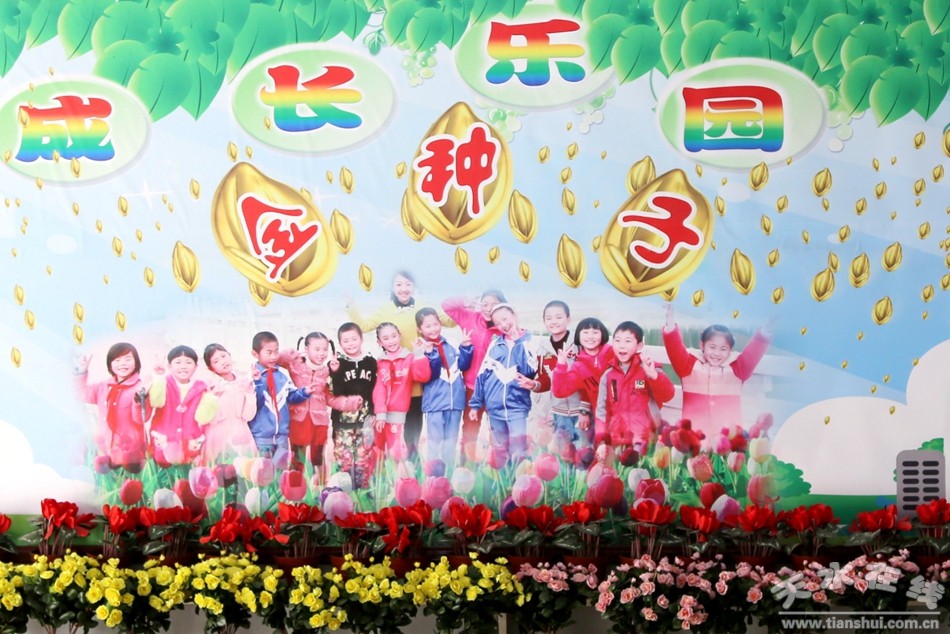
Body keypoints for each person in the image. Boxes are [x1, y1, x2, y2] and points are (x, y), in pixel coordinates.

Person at [346, 271, 453, 460]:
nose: (404, 289)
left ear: (414, 286)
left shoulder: (423, 306)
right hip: (395, 380)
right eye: (399, 285)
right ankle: (390, 464)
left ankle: (413, 463)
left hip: (418, 371)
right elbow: (364, 326)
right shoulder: (385, 310)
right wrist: (350, 305)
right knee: (392, 429)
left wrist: (462, 308)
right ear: (392, 287)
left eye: (408, 284)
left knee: (413, 427)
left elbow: (447, 321)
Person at [661, 305, 773, 443]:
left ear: (730, 350)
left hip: (729, 442)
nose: (717, 353)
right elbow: (674, 348)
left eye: (723, 349)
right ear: (702, 345)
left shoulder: (737, 370)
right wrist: (670, 322)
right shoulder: (689, 367)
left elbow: (754, 351)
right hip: (695, 441)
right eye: (712, 347)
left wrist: (768, 326)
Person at [278, 332, 363, 482]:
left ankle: (321, 488)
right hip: (298, 421)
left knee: (318, 459)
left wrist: (350, 403)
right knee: (297, 458)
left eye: (325, 349)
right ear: (306, 349)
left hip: (319, 423)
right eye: (317, 349)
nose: (322, 353)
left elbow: (330, 398)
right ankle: (293, 489)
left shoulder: (326, 372)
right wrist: (293, 353)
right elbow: (277, 359)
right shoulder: (296, 365)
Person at [467, 303, 543, 466]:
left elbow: (528, 371)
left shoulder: (531, 341)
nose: (503, 325)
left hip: (517, 407)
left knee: (518, 451)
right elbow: (482, 374)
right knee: (499, 452)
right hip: (494, 408)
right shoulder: (495, 344)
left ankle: (519, 481)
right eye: (498, 323)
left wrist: (518, 341)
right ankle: (503, 481)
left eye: (505, 319)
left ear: (514, 314)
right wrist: (475, 404)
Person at [441, 289, 506, 462]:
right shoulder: (470, 317)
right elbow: (446, 305)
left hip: (496, 390)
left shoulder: (504, 327)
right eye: (485, 304)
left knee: (498, 430)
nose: (488, 309)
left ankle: (498, 466)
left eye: (494, 305)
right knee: (470, 428)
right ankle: (466, 466)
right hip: (472, 388)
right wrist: (465, 300)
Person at [595, 322, 675, 451]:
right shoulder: (608, 375)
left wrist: (653, 376)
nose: (622, 345)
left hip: (646, 438)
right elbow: (601, 410)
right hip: (617, 439)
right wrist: (602, 438)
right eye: (617, 340)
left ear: (639, 345)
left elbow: (668, 395)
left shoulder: (649, 369)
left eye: (628, 341)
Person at [75, 342, 151, 471]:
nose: (122, 364)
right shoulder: (103, 387)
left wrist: (140, 398)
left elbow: (141, 418)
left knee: (132, 481)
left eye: (128, 359)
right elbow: (80, 394)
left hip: (131, 453)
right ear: (110, 364)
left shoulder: (141, 387)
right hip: (105, 450)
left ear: (136, 362)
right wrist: (82, 371)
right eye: (117, 360)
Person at [416, 307, 473, 470]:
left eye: (436, 324)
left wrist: (466, 348)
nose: (433, 329)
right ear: (419, 329)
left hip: (455, 403)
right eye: (428, 326)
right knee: (435, 443)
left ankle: (449, 474)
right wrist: (430, 353)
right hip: (435, 404)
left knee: (450, 443)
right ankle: (433, 477)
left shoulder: (450, 344)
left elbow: (463, 365)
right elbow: (431, 374)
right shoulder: (420, 349)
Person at [149, 345, 219, 467]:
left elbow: (202, 418)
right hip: (164, 443)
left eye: (188, 362)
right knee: (164, 475)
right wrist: (158, 377)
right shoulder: (164, 382)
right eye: (178, 362)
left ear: (196, 366)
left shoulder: (201, 387)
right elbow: (155, 402)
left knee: (187, 475)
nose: (183, 366)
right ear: (169, 366)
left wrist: (211, 397)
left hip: (190, 445)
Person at [551, 317, 614, 451]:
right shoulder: (579, 366)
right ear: (578, 336)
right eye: (585, 332)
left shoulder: (612, 352)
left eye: (595, 332)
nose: (590, 336)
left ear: (603, 334)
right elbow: (560, 391)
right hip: (601, 418)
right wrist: (561, 365)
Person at [249, 331, 310, 466]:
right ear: (255, 354)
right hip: (261, 437)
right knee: (263, 472)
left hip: (282, 436)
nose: (273, 357)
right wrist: (257, 382)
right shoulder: (252, 376)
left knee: (281, 472)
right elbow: (256, 403)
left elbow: (291, 397)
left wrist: (305, 392)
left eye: (276, 352)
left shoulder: (283, 373)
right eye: (269, 353)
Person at [328, 322, 378, 489]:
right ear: (340, 343)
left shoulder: (371, 362)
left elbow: (375, 390)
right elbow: (336, 393)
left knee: (365, 460)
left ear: (362, 339)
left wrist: (375, 412)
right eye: (346, 341)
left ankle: (364, 495)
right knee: (344, 461)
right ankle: (343, 494)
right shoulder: (337, 363)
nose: (350, 343)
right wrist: (336, 372)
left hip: (366, 422)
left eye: (354, 339)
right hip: (343, 424)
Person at [372, 322, 432, 458]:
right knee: (379, 451)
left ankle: (404, 471)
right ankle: (381, 471)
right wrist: (380, 413)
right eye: (386, 338)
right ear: (379, 342)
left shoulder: (409, 358)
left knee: (397, 451)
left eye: (394, 336)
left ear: (400, 336)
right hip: (381, 415)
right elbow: (379, 389)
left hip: (399, 414)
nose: (391, 341)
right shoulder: (380, 362)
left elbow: (422, 377)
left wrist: (419, 354)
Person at [532, 300, 578, 450]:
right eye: (549, 318)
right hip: (554, 411)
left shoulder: (578, 345)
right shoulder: (542, 348)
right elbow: (544, 380)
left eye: (558, 317)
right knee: (559, 452)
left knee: (579, 451)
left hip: (578, 409)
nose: (553, 321)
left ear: (568, 319)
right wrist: (533, 385)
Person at [200, 344, 257, 465]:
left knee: (244, 471)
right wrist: (212, 398)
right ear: (211, 368)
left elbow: (248, 416)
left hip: (241, 433)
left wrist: (250, 395)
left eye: (223, 356)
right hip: (218, 436)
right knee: (221, 470)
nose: (223, 362)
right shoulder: (211, 386)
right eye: (216, 361)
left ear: (229, 355)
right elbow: (209, 418)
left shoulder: (243, 382)